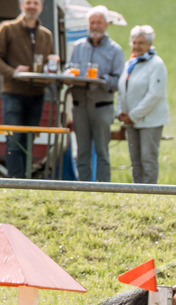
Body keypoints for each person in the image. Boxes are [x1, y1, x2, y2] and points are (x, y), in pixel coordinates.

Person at [67, 5, 124, 182]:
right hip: (80, 106)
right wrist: (71, 74)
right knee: (82, 151)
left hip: (102, 107)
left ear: (106, 24)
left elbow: (118, 82)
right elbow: (69, 69)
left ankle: (102, 189)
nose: (95, 26)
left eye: (99, 22)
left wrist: (102, 79)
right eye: (92, 22)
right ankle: (82, 189)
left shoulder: (115, 50)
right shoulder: (78, 47)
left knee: (102, 152)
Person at [0, 0, 54, 178]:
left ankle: (27, 180)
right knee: (15, 139)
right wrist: (12, 72)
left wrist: (50, 71)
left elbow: (49, 61)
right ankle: (17, 181)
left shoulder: (46, 35)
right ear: (22, 5)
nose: (32, 6)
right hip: (13, 93)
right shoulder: (7, 29)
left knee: (30, 139)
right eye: (28, 2)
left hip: (37, 94)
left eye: (35, 3)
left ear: (41, 7)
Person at [116, 25, 168, 184]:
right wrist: (120, 112)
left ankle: (150, 194)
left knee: (148, 160)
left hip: (149, 121)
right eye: (134, 42)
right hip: (130, 121)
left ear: (149, 44)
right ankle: (136, 192)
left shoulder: (156, 64)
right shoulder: (130, 63)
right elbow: (122, 89)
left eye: (141, 43)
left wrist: (133, 115)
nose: (137, 46)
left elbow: (154, 95)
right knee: (135, 161)